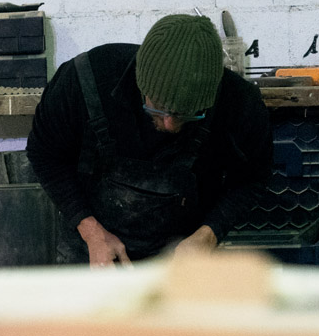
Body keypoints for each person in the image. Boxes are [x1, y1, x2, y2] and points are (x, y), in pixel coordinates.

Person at [26, 14, 271, 266]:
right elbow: (44, 154)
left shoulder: (241, 104)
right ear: (140, 81)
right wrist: (90, 231)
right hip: (90, 248)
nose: (170, 125)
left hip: (180, 258)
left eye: (187, 114)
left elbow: (252, 179)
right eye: (158, 108)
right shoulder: (83, 80)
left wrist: (207, 236)